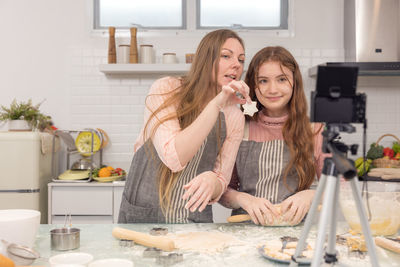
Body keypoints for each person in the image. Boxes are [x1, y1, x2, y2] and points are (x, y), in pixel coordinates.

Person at [118, 29, 252, 223]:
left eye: (241, 60)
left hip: (192, 219)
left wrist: (212, 181)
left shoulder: (233, 115)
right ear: (206, 58)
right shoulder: (166, 89)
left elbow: (222, 178)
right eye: (225, 56)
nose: (236, 65)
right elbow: (173, 157)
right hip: (143, 216)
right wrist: (216, 103)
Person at [220, 46, 327, 226]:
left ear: (295, 83)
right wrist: (243, 199)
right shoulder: (239, 126)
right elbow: (221, 189)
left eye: (282, 79)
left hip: (296, 238)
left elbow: (340, 186)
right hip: (244, 235)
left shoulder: (315, 130)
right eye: (263, 81)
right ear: (253, 86)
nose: (272, 89)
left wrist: (311, 195)